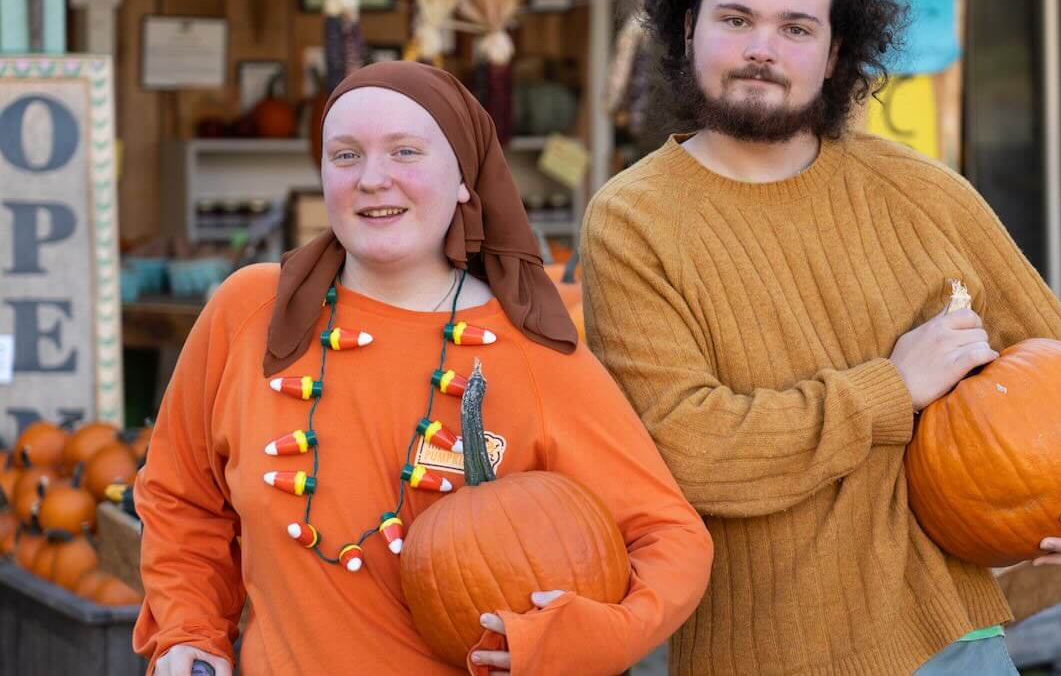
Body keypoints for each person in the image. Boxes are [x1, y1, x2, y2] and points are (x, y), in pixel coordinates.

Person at [579, 0, 1061, 675]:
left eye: (797, 27)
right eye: (736, 19)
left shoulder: (922, 190)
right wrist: (891, 390)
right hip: (769, 652)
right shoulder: (633, 221)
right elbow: (688, 448)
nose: (764, 47)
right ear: (689, 28)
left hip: (952, 644)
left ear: (833, 55)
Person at [133, 61, 713, 676]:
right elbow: (183, 498)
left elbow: (671, 539)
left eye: (405, 152)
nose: (373, 180)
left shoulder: (532, 353)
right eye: (345, 155)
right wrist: (189, 632)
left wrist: (588, 638)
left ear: (465, 177)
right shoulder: (249, 312)